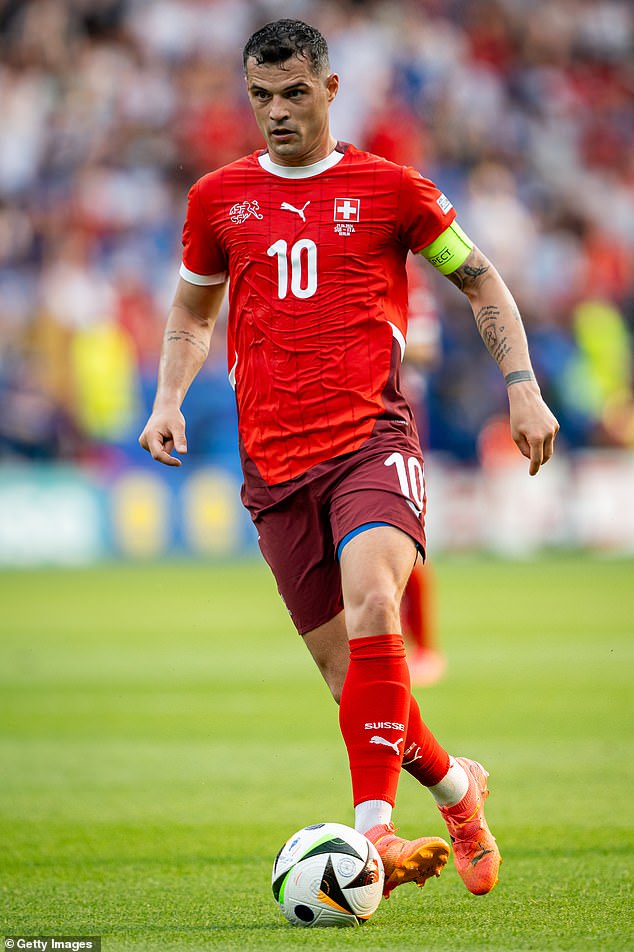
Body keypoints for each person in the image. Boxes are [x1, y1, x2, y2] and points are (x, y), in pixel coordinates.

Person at [139, 19, 559, 899]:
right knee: (351, 679)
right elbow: (191, 311)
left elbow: (479, 278)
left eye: (295, 93)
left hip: (371, 441)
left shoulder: (393, 190)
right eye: (261, 97)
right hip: (273, 467)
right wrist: (168, 397)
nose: (278, 112)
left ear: (330, 90)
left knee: (377, 607)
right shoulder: (219, 200)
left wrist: (521, 383)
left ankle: (375, 839)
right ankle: (457, 788)